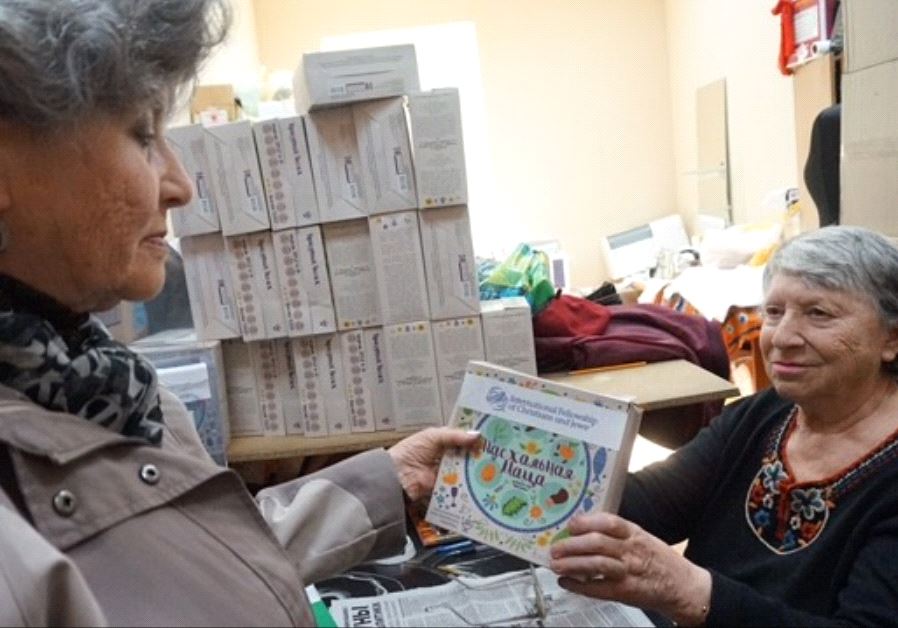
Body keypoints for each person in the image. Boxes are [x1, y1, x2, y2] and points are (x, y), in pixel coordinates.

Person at [0, 1, 478, 625]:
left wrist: (389, 480)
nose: (180, 184)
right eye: (143, 137)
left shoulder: (101, 383)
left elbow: (199, 562)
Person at [550, 225, 898, 625]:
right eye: (773, 312)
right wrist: (487, 466)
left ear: (891, 339)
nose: (782, 337)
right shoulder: (762, 416)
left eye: (818, 314)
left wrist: (689, 590)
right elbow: (646, 503)